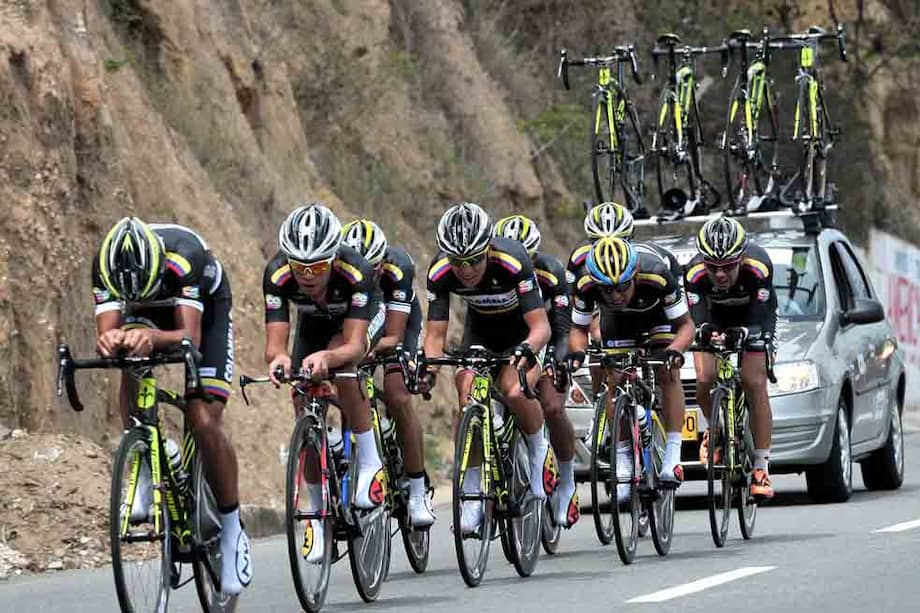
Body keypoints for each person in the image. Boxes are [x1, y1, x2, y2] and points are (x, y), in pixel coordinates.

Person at [93, 218, 251, 595]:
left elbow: (189, 338)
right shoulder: (104, 265)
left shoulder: (186, 258)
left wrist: (152, 335)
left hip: (201, 314)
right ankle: (147, 459)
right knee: (127, 360)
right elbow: (108, 332)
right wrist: (113, 338)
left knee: (202, 418)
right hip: (146, 312)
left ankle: (232, 532)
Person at [262, 203, 387, 561]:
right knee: (301, 384)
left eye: (317, 266)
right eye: (299, 267)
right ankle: (314, 515)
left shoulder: (355, 271)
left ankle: (369, 463)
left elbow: (353, 345)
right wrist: (281, 360)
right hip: (312, 322)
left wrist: (328, 359)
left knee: (344, 368)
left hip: (356, 321)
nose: (307, 275)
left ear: (332, 258)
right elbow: (274, 345)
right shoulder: (277, 274)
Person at [422, 202, 554, 535]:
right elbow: (434, 337)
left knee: (512, 387)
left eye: (473, 260)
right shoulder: (440, 271)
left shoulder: (513, 260)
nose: (465, 270)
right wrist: (431, 368)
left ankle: (539, 451)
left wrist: (527, 348)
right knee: (467, 395)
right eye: (458, 262)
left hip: (521, 332)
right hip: (479, 333)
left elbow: (541, 327)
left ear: (489, 249)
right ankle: (473, 494)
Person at [568, 236, 694, 494]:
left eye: (623, 286)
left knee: (667, 371)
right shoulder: (586, 283)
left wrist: (674, 351)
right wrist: (579, 354)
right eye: (607, 289)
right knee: (614, 377)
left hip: (658, 315)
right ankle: (624, 456)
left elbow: (686, 326)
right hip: (618, 321)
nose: (615, 295)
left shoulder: (658, 275)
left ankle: (672, 452)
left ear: (635, 274)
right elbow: (579, 329)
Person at [341, 218, 435, 527]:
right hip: (362, 317)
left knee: (396, 394)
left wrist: (364, 351)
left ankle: (419, 490)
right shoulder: (342, 273)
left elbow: (392, 336)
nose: (365, 275)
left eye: (372, 269)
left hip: (399, 323)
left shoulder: (398, 268)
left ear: (382, 263)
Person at [494, 214, 579, 528]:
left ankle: (567, 483)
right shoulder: (497, 270)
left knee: (553, 407)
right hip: (506, 341)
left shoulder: (550, 271)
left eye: (527, 257)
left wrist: (558, 360)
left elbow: (561, 326)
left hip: (543, 339)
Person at [684, 216, 777, 499]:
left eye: (727, 267)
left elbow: (761, 316)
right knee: (704, 376)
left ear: (741, 258)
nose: (720, 274)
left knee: (754, 381)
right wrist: (705, 331)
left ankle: (761, 467)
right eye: (713, 267)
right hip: (715, 317)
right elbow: (697, 319)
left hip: (754, 316)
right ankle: (714, 429)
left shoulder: (759, 267)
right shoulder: (694, 274)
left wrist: (747, 332)